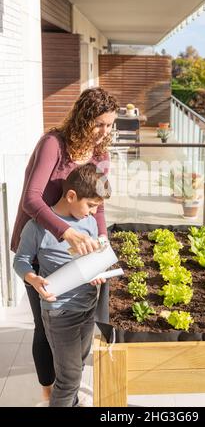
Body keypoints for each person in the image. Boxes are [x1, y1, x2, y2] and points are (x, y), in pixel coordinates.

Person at [10, 87, 118, 403]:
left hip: (79, 247)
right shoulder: (53, 144)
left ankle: (66, 383)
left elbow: (99, 206)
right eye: (99, 123)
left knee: (78, 317)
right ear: (83, 117)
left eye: (110, 125)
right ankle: (50, 393)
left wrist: (101, 243)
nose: (104, 132)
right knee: (46, 325)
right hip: (41, 241)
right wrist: (64, 232)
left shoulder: (101, 156)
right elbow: (31, 199)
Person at [14, 164, 111, 407]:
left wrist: (97, 269)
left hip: (87, 308)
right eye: (90, 205)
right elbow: (21, 260)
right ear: (70, 196)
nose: (93, 213)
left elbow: (89, 259)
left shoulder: (88, 222)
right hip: (60, 313)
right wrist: (33, 279)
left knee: (76, 365)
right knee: (69, 378)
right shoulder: (38, 227)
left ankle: (72, 402)